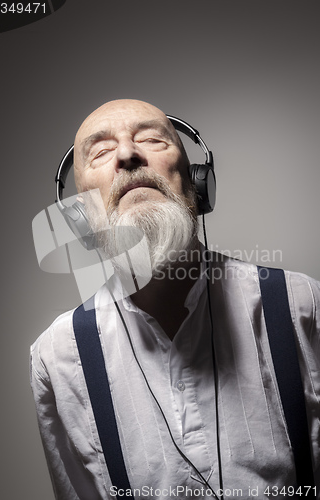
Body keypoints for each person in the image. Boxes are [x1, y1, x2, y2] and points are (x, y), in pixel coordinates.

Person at [30, 99, 320, 499]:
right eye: (100, 151)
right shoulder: (57, 355)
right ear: (80, 220)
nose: (129, 154)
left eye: (151, 139)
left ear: (197, 183)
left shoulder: (301, 303)